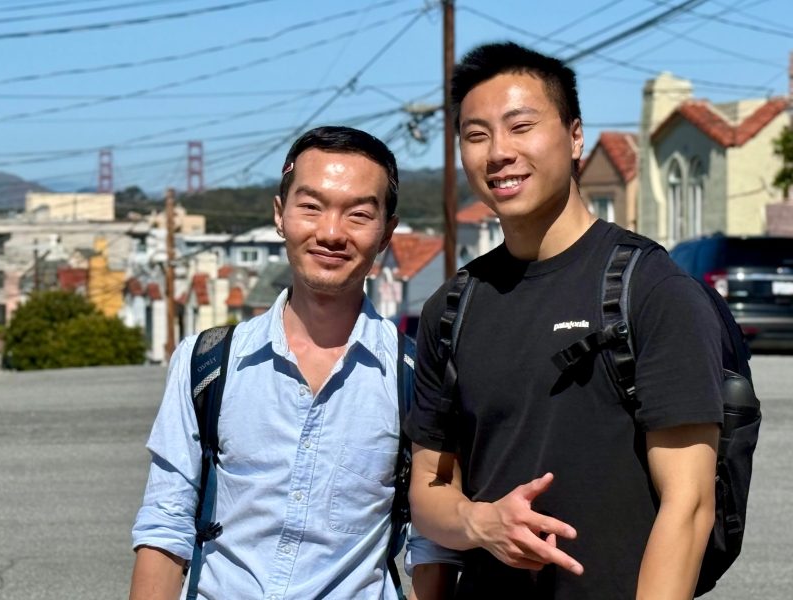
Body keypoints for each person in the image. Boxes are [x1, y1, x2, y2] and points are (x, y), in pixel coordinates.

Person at [405, 42, 723, 599]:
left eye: (521, 126)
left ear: (575, 135)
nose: (498, 152)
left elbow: (690, 504)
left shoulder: (650, 289)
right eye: (476, 136)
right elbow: (429, 492)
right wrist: (480, 522)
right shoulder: (452, 307)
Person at [130, 126, 457, 600]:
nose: (330, 233)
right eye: (311, 206)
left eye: (359, 214)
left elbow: (431, 549)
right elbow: (165, 527)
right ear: (280, 215)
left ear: (387, 232)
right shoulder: (206, 363)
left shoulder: (414, 374)